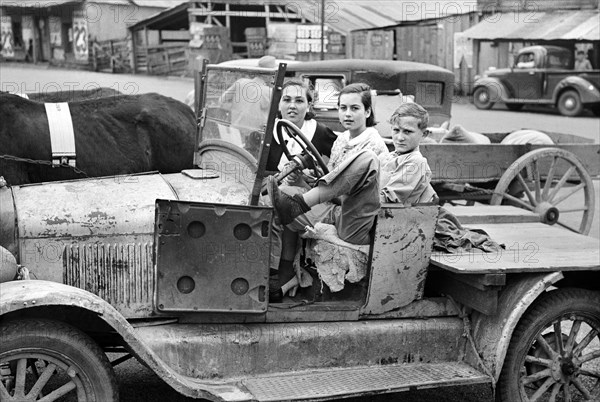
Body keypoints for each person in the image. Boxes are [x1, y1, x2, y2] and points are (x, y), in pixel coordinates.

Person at [268, 83, 388, 301]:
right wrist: (305, 181)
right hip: (335, 210)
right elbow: (332, 184)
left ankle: (300, 203)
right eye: (343, 108)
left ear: (368, 112)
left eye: (355, 108)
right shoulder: (341, 140)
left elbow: (375, 198)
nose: (347, 114)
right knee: (283, 196)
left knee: (367, 159)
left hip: (359, 218)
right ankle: (282, 274)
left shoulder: (375, 144)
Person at [266, 79, 337, 173]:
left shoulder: (319, 131)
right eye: (287, 100)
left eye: (299, 101)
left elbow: (341, 161)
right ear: (279, 104)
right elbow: (251, 169)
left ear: (308, 105)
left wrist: (319, 173)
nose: (292, 106)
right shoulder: (266, 132)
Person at [379, 102, 437, 204]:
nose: (400, 138)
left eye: (407, 132)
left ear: (424, 134)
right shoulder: (385, 157)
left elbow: (389, 198)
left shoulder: (416, 162)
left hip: (391, 216)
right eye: (396, 130)